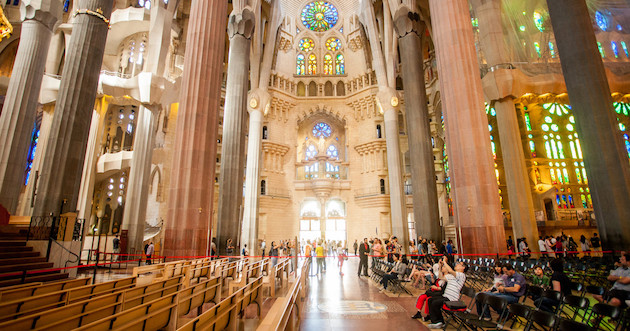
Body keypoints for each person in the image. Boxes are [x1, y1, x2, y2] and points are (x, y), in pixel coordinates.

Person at [426, 257, 467, 329]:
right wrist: (440, 266)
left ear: (463, 268)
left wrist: (445, 261)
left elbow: (451, 271)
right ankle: (438, 321)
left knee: (435, 302)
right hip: (445, 296)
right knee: (430, 300)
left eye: (459, 264)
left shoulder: (461, 275)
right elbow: (440, 277)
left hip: (452, 298)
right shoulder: (451, 276)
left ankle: (437, 322)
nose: (456, 265)